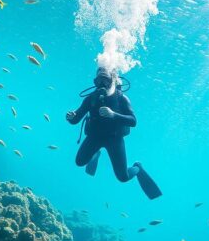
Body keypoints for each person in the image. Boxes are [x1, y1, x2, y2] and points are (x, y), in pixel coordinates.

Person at [67, 67, 162, 199]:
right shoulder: (91, 98)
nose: (101, 84)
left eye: (105, 80)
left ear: (112, 80)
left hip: (114, 139)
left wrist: (113, 115)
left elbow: (133, 121)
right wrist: (71, 117)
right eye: (98, 81)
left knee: (123, 177)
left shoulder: (121, 98)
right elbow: (76, 118)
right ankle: (95, 154)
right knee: (79, 162)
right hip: (95, 136)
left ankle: (138, 168)